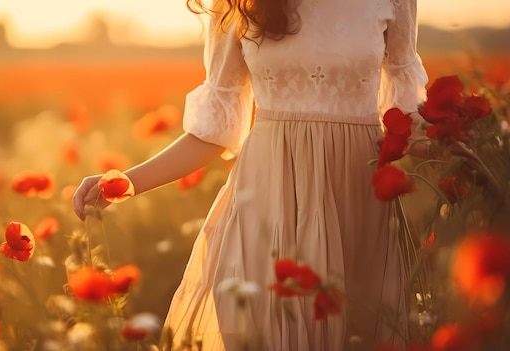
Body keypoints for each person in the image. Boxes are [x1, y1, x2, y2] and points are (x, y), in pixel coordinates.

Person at [73, 0, 429, 349]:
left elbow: (408, 117)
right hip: (268, 207)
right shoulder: (239, 3)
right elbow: (215, 129)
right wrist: (126, 182)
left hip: (356, 203)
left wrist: (470, 152)